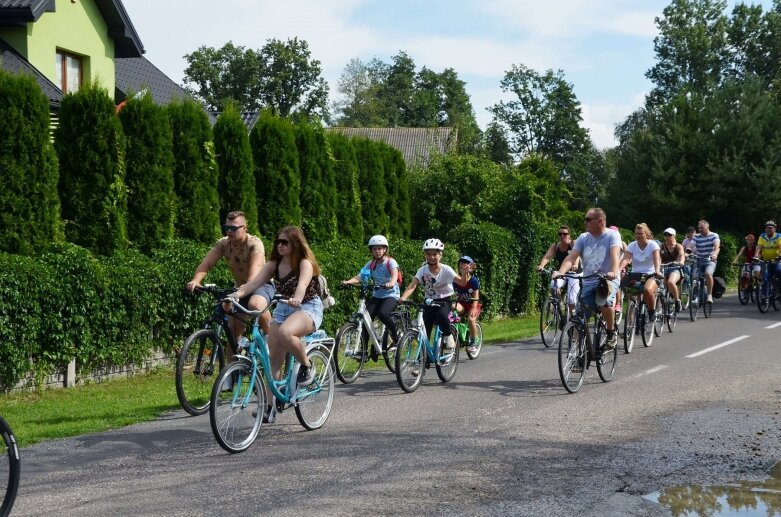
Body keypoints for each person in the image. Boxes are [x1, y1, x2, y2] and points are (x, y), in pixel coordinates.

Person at [231, 225, 323, 402]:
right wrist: (236, 295)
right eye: (278, 242)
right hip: (282, 308)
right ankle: (268, 408)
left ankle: (307, 365)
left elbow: (302, 285)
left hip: (307, 307)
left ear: (295, 244)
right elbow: (253, 283)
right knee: (274, 360)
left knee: (285, 333)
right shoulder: (273, 265)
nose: (280, 245)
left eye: (285, 242)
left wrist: (297, 298)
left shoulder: (304, 263)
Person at [186, 211, 274, 350]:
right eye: (226, 227)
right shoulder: (223, 243)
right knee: (232, 334)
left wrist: (241, 292)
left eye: (233, 228)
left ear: (244, 228)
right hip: (239, 288)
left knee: (255, 304)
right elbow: (207, 263)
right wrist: (196, 280)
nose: (229, 231)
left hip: (260, 285)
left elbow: (255, 271)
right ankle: (232, 370)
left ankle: (273, 339)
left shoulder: (254, 243)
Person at [553, 208, 621, 349]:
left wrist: (613, 271)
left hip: (607, 279)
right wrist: (561, 272)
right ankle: (578, 353)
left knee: (604, 302)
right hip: (588, 280)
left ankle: (610, 331)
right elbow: (571, 257)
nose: (585, 222)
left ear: (600, 221)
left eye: (588, 220)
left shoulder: (612, 235)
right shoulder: (583, 238)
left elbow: (615, 255)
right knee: (579, 317)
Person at [399, 238, 469, 352]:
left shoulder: (446, 269)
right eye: (428, 254)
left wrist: (465, 274)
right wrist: (403, 298)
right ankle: (423, 361)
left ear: (440, 255)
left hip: (444, 300)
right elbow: (413, 285)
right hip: (429, 301)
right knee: (424, 330)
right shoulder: (422, 270)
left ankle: (448, 335)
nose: (431, 257)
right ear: (425, 255)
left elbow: (462, 282)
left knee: (442, 315)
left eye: (435, 254)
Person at [342, 235, 400, 355]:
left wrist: (392, 282)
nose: (377, 251)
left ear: (385, 249)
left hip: (391, 294)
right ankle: (363, 351)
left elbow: (395, 273)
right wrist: (348, 281)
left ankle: (395, 336)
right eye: (374, 249)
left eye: (380, 248)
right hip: (377, 295)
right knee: (365, 319)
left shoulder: (390, 262)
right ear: (371, 251)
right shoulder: (371, 264)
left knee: (383, 313)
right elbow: (360, 276)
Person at [619, 223, 663, 322]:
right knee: (631, 297)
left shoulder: (653, 244)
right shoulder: (632, 245)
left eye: (640, 233)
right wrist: (618, 269)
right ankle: (630, 326)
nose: (638, 236)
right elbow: (626, 259)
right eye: (636, 233)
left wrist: (657, 270)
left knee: (647, 290)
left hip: (651, 274)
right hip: (635, 274)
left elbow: (657, 260)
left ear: (646, 234)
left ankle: (652, 311)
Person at [536, 225, 581, 321]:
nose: (562, 236)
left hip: (574, 274)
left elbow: (576, 256)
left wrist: (575, 265)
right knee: (553, 285)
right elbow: (547, 256)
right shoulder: (555, 246)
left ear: (569, 235)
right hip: (562, 272)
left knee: (572, 300)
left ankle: (573, 320)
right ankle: (559, 307)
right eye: (560, 234)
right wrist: (541, 266)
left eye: (565, 234)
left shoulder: (573, 243)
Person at [452, 256, 481, 354]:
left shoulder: (473, 280)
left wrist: (473, 308)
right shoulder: (456, 280)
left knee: (471, 319)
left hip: (473, 304)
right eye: (461, 266)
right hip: (462, 304)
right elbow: (455, 295)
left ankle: (473, 341)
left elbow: (476, 296)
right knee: (450, 308)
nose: (463, 267)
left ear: (470, 268)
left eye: (465, 265)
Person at [686, 219, 720, 303]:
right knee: (694, 277)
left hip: (710, 260)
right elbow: (691, 245)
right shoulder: (696, 236)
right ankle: (696, 295)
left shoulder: (714, 235)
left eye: (702, 228)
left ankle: (709, 295)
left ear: (707, 227)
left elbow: (717, 247)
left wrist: (715, 254)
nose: (700, 230)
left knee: (708, 274)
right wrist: (687, 252)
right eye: (699, 228)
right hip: (699, 260)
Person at [660, 228, 686, 312]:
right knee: (660, 287)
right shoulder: (661, 246)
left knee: (670, 282)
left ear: (674, 236)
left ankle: (677, 300)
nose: (667, 237)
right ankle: (659, 305)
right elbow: (658, 257)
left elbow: (682, 255)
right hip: (663, 268)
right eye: (665, 235)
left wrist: (681, 262)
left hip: (675, 268)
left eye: (669, 235)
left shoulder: (678, 246)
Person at [755, 221, 781, 288]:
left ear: (775, 229)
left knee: (778, 271)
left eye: (770, 228)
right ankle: (764, 296)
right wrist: (756, 256)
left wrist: (779, 256)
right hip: (766, 260)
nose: (768, 229)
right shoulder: (762, 236)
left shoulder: (778, 236)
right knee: (766, 277)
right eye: (767, 228)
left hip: (777, 260)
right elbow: (759, 247)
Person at [609, 225, 628, 320]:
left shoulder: (622, 243)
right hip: (609, 268)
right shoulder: (607, 242)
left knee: (617, 283)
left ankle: (618, 303)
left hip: (620, 268)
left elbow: (628, 254)